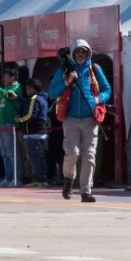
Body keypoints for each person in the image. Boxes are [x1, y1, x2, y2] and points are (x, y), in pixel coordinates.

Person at [48, 38, 112, 203]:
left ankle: (86, 191)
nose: (81, 54)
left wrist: (97, 100)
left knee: (89, 154)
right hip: (70, 119)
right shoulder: (64, 69)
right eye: (78, 51)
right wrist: (66, 82)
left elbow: (107, 90)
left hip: (91, 118)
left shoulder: (94, 69)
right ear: (73, 53)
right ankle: (68, 179)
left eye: (84, 51)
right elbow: (52, 93)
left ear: (88, 53)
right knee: (72, 153)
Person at [18, 78, 50, 188]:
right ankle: (42, 179)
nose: (26, 90)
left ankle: (37, 179)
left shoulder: (34, 99)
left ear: (32, 88)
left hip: (33, 132)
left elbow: (31, 115)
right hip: (40, 131)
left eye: (27, 88)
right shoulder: (42, 98)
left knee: (33, 157)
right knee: (39, 157)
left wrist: (20, 120)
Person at [0, 67, 23, 187]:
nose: (3, 78)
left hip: (10, 124)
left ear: (13, 77)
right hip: (1, 123)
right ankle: (9, 177)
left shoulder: (17, 88)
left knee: (12, 152)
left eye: (6, 76)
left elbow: (9, 95)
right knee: (4, 152)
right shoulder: (4, 89)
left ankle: (17, 178)